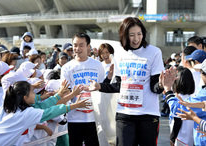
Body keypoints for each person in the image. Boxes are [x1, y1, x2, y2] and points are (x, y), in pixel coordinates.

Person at [85, 17, 164, 146]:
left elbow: (155, 87)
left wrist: (162, 84)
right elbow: (119, 85)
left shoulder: (154, 52)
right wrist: (100, 86)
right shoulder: (120, 53)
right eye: (131, 35)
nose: (136, 38)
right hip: (124, 114)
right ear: (124, 35)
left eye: (139, 34)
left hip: (148, 115)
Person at [0, 80, 89, 145]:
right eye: (32, 92)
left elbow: (41, 105)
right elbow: (50, 112)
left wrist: (59, 94)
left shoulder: (9, 107)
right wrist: (74, 106)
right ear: (25, 98)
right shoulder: (27, 113)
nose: (35, 95)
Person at [61, 32, 105, 146]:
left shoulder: (98, 65)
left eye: (81, 45)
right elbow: (64, 92)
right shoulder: (67, 67)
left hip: (95, 118)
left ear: (88, 46)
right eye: (75, 45)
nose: (77, 48)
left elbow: (102, 89)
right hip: (75, 118)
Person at [162, 59, 206, 145]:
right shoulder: (196, 94)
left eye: (201, 72)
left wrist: (168, 92)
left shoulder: (202, 94)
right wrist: (187, 104)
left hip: (185, 141)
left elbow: (177, 111)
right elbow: (203, 105)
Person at [162, 66, 195, 145]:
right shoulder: (193, 99)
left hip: (181, 140)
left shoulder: (177, 100)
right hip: (192, 139)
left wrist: (172, 138)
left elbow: (177, 122)